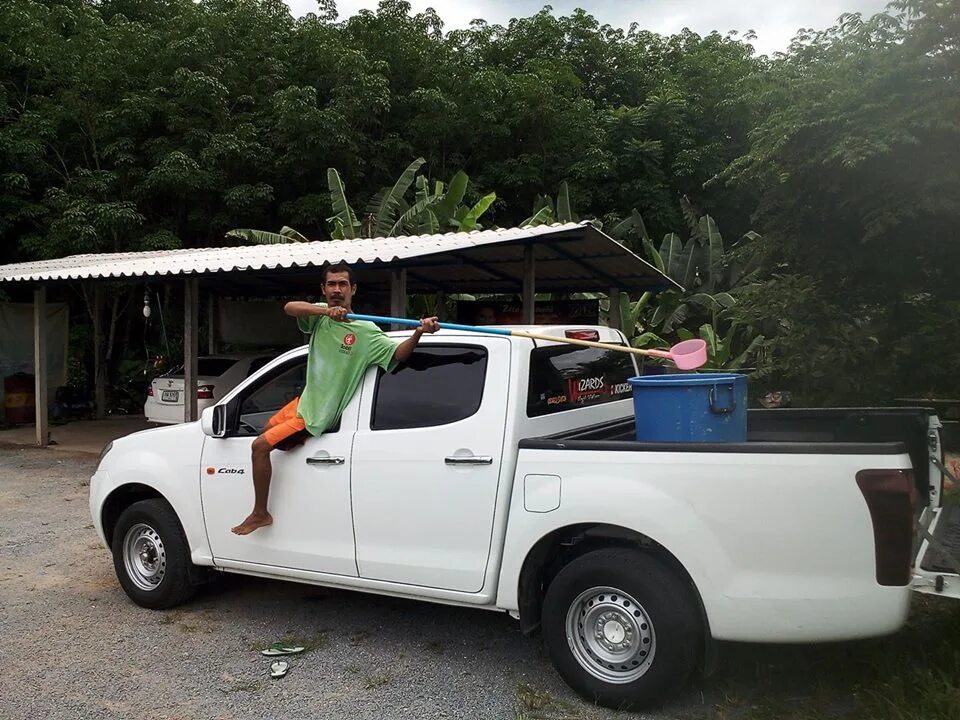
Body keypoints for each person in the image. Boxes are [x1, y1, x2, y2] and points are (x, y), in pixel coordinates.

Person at [231, 263, 439, 535]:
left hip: (318, 415)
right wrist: (326, 311)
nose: (337, 290)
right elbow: (290, 308)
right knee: (268, 431)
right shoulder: (319, 316)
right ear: (324, 289)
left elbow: (398, 354)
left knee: (259, 447)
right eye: (331, 285)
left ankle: (261, 513)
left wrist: (419, 332)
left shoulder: (366, 331)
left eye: (343, 284)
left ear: (353, 289)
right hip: (303, 404)